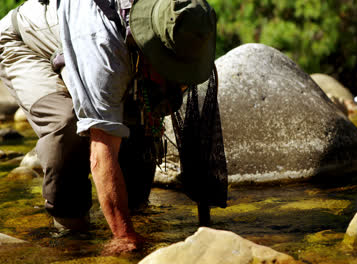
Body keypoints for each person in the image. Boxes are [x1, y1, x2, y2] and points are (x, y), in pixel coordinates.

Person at [0, 0, 217, 254]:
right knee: (68, 127)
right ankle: (69, 234)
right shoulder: (101, 46)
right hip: (27, 44)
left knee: (137, 128)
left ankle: (131, 207)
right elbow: (101, 153)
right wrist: (124, 236)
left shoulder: (186, 18)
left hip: (101, 42)